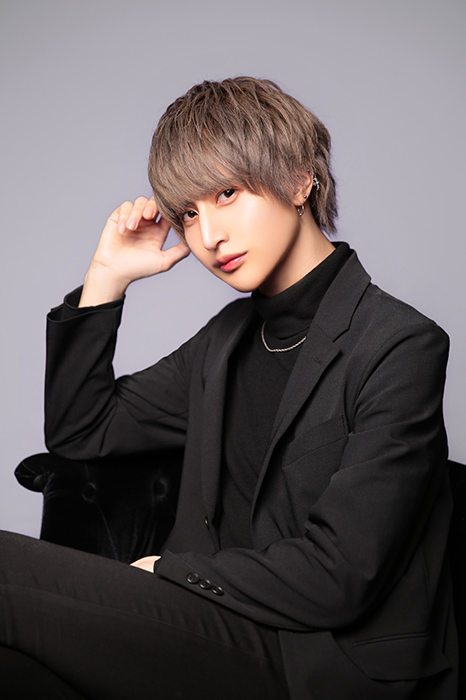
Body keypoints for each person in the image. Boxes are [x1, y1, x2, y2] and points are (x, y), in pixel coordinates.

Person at [0, 77, 457, 699]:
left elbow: (342, 573)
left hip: (312, 659)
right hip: (204, 629)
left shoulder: (399, 344)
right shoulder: (227, 340)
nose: (208, 237)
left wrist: (170, 572)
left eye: (226, 193)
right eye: (189, 214)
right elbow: (84, 431)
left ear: (300, 179)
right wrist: (106, 278)